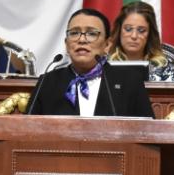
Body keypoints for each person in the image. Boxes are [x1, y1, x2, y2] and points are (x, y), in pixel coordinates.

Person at [26, 8, 154, 117]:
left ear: (107, 45)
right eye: (75, 33)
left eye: (91, 33)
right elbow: (27, 131)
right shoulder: (48, 82)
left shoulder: (129, 81)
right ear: (66, 44)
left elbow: (147, 134)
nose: (82, 40)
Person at [107, 1, 174, 82]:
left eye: (141, 30)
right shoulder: (104, 64)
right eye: (128, 29)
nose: (134, 36)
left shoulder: (164, 66)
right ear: (119, 30)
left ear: (150, 34)